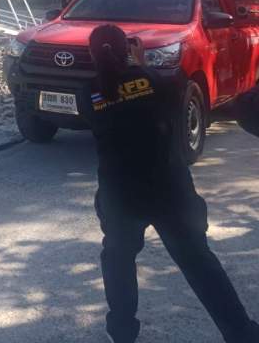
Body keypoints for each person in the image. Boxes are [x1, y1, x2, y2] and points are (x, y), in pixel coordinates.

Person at [85, 24, 259, 343]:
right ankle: (241, 333)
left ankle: (121, 333)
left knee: (118, 261)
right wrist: (141, 65)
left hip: (120, 196)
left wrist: (126, 75)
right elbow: (173, 92)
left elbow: (105, 105)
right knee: (199, 263)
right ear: (128, 50)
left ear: (93, 55)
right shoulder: (161, 81)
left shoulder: (88, 93)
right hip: (171, 192)